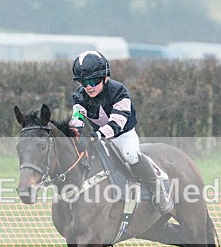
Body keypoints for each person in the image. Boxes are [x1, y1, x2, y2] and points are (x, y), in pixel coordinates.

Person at [68, 50, 173, 214]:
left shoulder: (119, 91)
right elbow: (78, 116)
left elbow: (117, 122)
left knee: (130, 154)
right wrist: (74, 132)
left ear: (105, 77)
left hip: (123, 135)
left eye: (93, 81)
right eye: (83, 82)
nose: (88, 87)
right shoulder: (79, 96)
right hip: (100, 138)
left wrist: (96, 136)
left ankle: (159, 193)